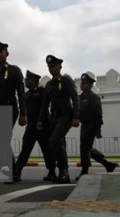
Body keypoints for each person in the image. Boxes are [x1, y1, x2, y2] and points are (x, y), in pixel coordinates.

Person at [0, 40, 26, 186]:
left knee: (2, 141)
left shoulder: (14, 71)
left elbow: (21, 93)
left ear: (6, 53)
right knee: (4, 141)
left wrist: (23, 114)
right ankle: (14, 173)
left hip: (11, 110)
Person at [37, 55, 79, 184]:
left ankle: (64, 170)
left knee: (55, 140)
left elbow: (75, 98)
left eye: (53, 66)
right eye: (49, 67)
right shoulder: (49, 84)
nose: (51, 69)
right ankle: (63, 174)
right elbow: (45, 104)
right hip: (53, 117)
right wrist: (40, 119)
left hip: (66, 116)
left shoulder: (66, 80)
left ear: (60, 66)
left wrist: (76, 116)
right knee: (57, 143)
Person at [14, 70, 56, 182]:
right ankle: (17, 172)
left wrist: (40, 120)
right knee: (25, 148)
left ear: (34, 80)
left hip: (43, 126)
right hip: (31, 126)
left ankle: (52, 172)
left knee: (47, 149)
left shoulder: (43, 92)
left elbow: (44, 107)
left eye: (27, 79)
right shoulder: (26, 95)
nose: (25, 81)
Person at [77, 72, 117, 180]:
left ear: (90, 85)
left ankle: (84, 171)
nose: (82, 85)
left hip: (91, 125)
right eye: (82, 83)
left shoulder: (94, 98)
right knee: (87, 148)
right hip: (83, 125)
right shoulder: (79, 97)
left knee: (84, 148)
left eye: (85, 83)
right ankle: (108, 164)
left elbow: (99, 115)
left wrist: (98, 130)